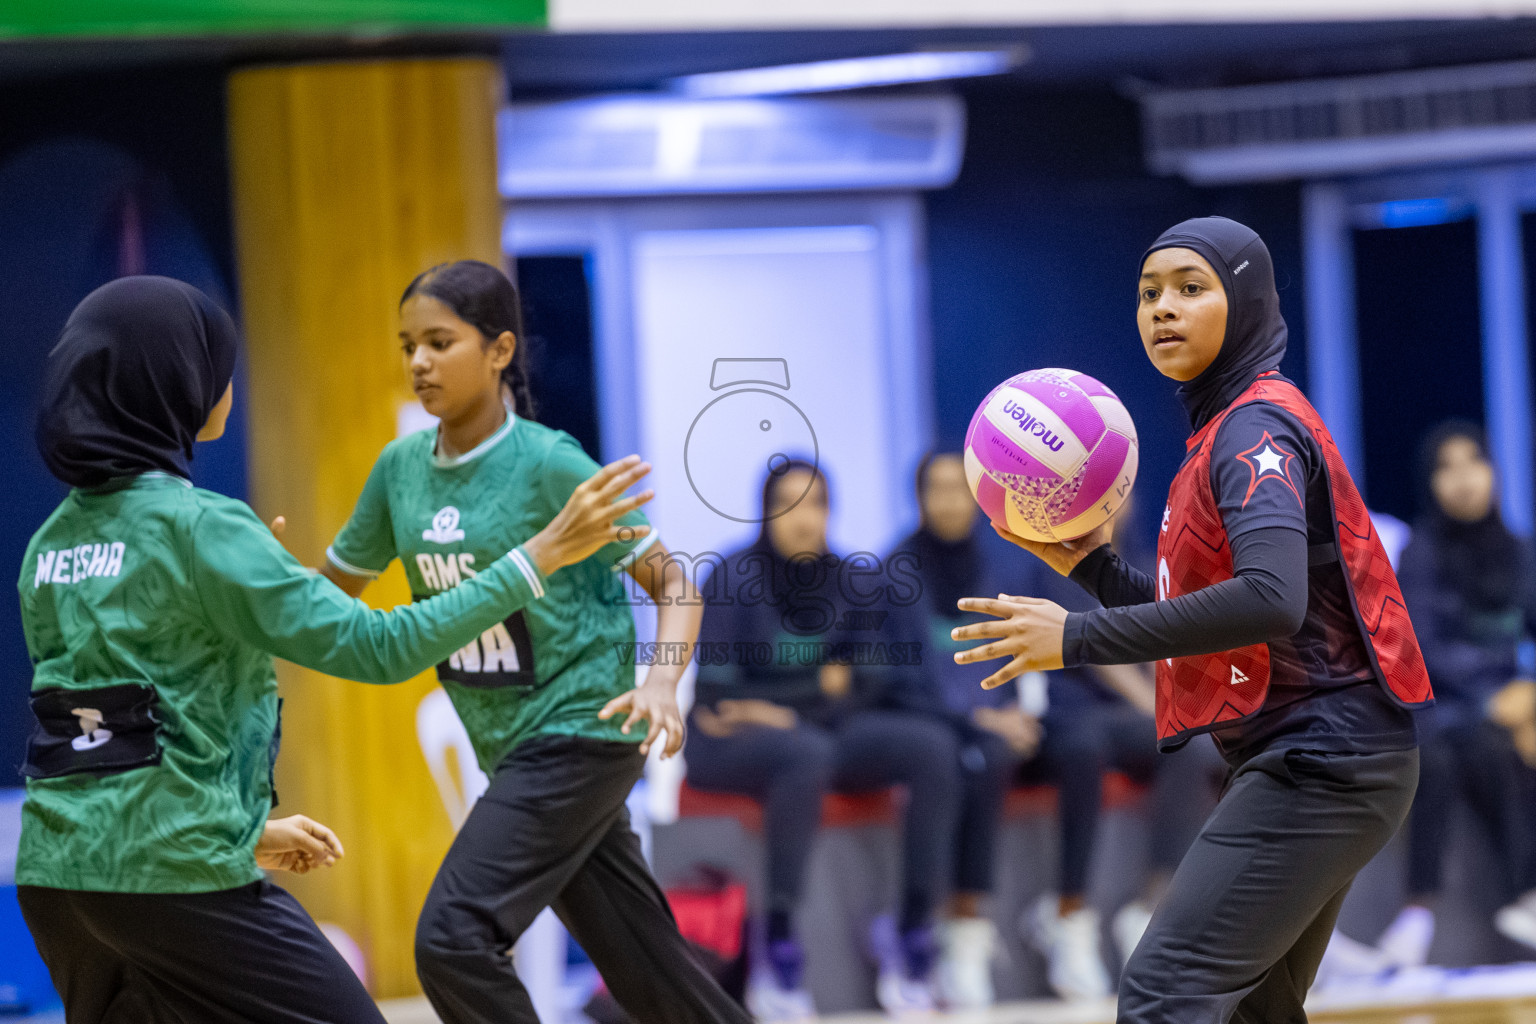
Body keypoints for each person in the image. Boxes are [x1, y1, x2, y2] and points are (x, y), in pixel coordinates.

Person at [18, 276, 646, 1024]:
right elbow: (381, 647)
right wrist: (533, 559)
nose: (228, 382)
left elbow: (108, 733)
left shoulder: (49, 543)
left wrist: (245, 832)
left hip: (58, 880)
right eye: (218, 364)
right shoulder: (201, 528)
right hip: (173, 879)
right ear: (173, 382)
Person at [951, 216, 1433, 1023]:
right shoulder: (1230, 424)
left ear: (1246, 301)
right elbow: (1223, 615)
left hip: (1324, 760)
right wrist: (1093, 571)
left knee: (1162, 994)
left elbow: (1268, 601)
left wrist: (1073, 638)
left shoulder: (1253, 430)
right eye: (1149, 294)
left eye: (1190, 287)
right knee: (1251, 1013)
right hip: (1330, 754)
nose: (1163, 309)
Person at [319, 260, 748, 1024]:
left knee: (452, 938)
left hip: (582, 730)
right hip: (511, 747)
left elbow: (676, 586)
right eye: (408, 346)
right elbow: (324, 598)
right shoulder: (399, 472)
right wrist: (254, 581)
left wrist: (659, 682)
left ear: (499, 350)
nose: (419, 362)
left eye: (440, 342)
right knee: (653, 976)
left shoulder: (550, 464)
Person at [878, 458, 1221, 1005]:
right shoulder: (903, 570)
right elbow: (914, 672)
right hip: (997, 715)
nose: (950, 502)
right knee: (999, 753)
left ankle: (1124, 909)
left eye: (959, 490)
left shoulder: (1010, 559)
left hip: (1024, 711)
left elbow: (1162, 640)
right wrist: (983, 717)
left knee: (1185, 746)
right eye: (937, 490)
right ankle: (959, 927)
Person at [684, 458, 962, 1019]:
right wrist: (818, 688)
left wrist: (777, 704)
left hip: (816, 730)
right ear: (766, 512)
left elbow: (869, 680)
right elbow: (718, 698)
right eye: (786, 504)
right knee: (804, 752)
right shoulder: (732, 577)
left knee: (933, 747)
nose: (802, 518)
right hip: (726, 744)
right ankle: (779, 943)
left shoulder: (852, 579)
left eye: (814, 504)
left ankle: (912, 930)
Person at [1379, 422, 1536, 964]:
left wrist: (1528, 695)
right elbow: (1419, 648)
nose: (1464, 478)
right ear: (1431, 483)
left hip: (1509, 704)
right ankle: (1514, 895)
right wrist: (1494, 700)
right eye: (1447, 468)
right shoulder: (1421, 554)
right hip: (1443, 707)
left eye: (1474, 462)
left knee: (1508, 738)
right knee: (1468, 748)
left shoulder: (1519, 552)